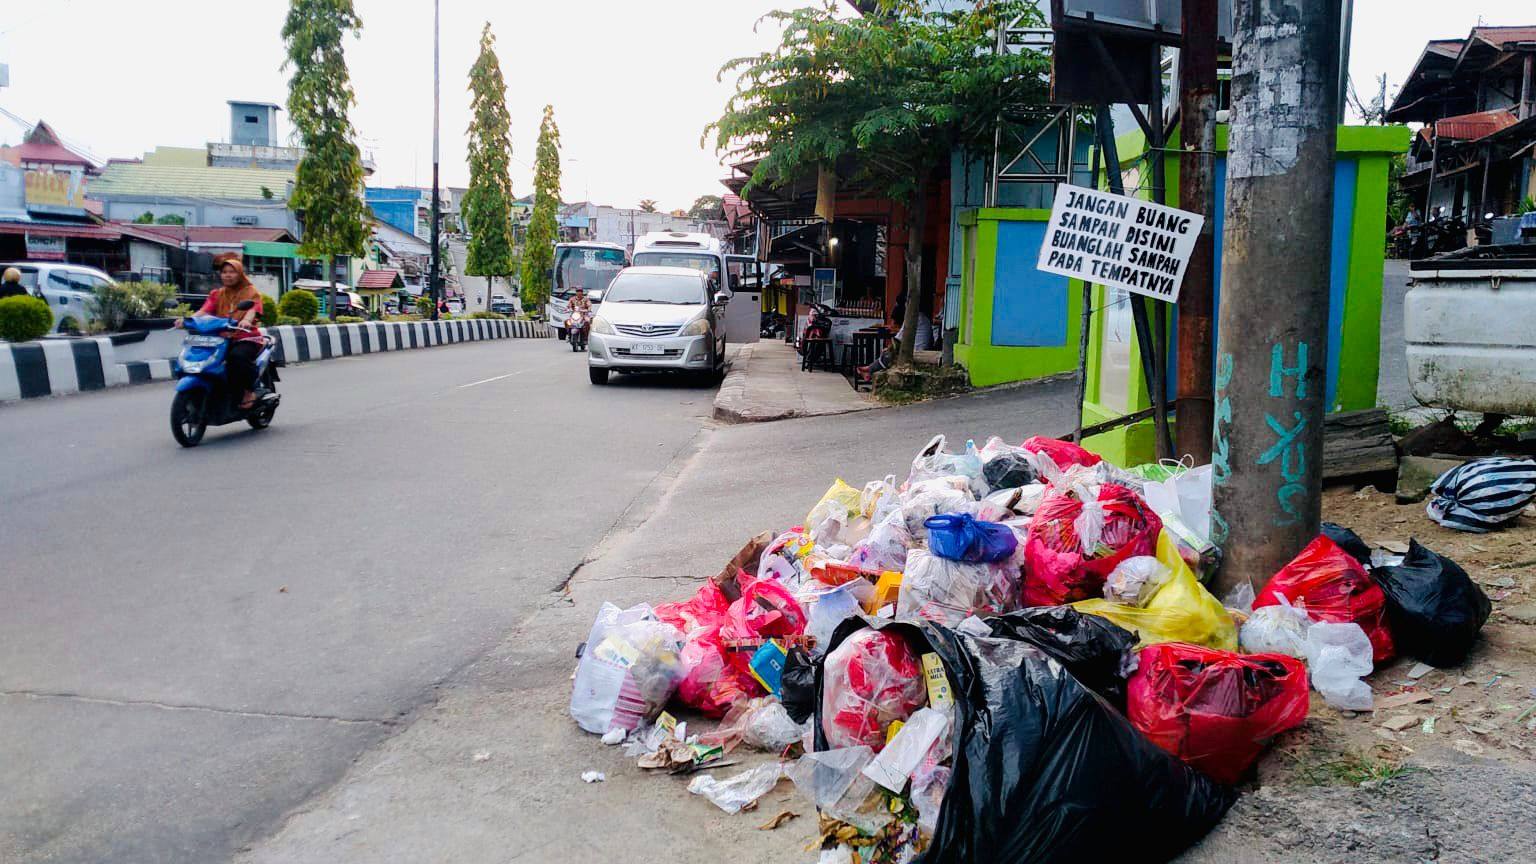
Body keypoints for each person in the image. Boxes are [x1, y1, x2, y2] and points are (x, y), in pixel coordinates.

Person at [181, 259, 264, 410]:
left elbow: (252, 309)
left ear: (239, 274)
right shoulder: (217, 294)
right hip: (220, 338)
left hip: (245, 336)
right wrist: (187, 320)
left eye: (232, 272)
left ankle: (248, 391)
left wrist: (245, 320)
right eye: (224, 272)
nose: (228, 275)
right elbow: (204, 311)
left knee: (236, 358)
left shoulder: (251, 292)